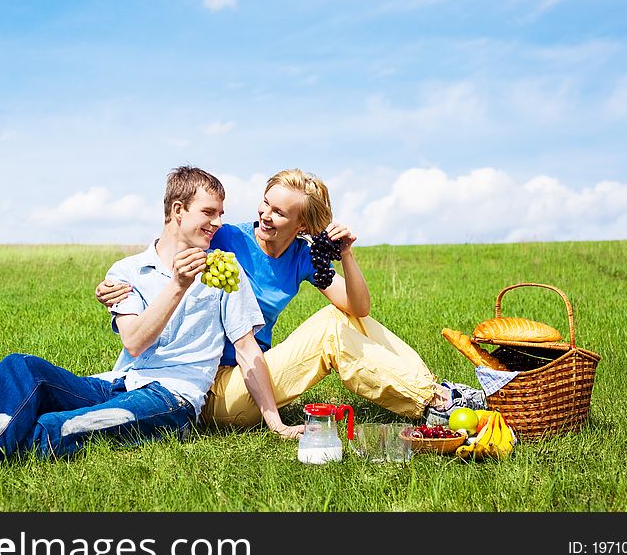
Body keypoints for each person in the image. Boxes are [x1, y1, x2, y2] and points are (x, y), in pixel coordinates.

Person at [0, 166, 303, 468]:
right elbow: (134, 342)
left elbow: (247, 351)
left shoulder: (224, 271)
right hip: (118, 381)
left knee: (63, 426)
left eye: (221, 214)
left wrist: (276, 423)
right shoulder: (127, 272)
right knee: (23, 369)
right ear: (176, 212)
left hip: (175, 399)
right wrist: (177, 286)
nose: (218, 223)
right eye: (209, 213)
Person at [96, 168, 484, 429]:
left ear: (302, 225)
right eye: (265, 204)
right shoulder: (227, 237)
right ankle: (436, 400)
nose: (265, 216)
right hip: (207, 383)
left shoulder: (302, 255)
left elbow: (359, 308)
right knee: (331, 327)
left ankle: (435, 391)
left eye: (279, 213)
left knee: (348, 320)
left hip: (250, 375)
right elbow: (173, 239)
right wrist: (111, 288)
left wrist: (346, 254)